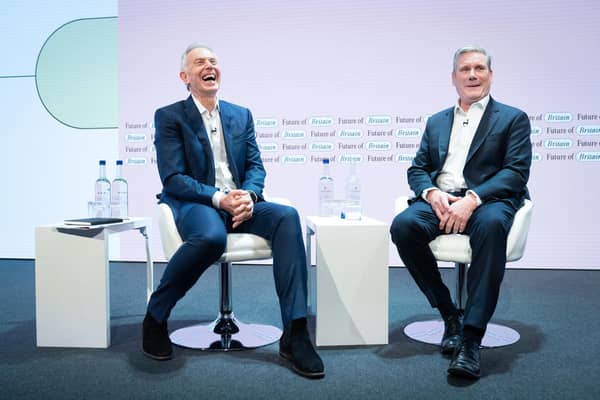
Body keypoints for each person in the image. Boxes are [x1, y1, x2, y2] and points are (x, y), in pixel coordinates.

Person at [142, 42, 324, 379]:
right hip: (197, 202)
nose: (209, 66)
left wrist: (250, 196)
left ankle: (295, 333)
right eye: (199, 62)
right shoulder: (169, 117)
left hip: (240, 202)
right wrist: (218, 198)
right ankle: (156, 315)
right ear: (185, 76)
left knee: (287, 217)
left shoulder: (241, 114)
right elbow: (173, 177)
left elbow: (255, 166)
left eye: (213, 60)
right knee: (211, 237)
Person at [390, 45, 532, 379]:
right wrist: (431, 191)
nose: (472, 75)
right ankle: (448, 313)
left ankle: (470, 339)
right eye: (465, 69)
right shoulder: (437, 121)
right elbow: (418, 169)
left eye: (480, 68)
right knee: (404, 227)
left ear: (490, 75)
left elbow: (515, 172)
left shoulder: (512, 118)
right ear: (454, 78)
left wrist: (473, 198)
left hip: (488, 202)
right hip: (442, 200)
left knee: (493, 226)